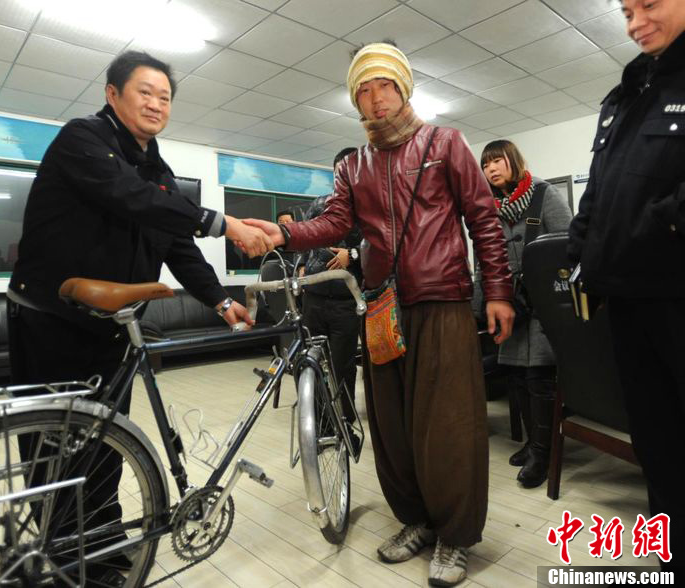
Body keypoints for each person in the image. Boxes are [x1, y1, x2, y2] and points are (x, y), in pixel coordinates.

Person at [244, 42, 514, 587]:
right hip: (382, 308)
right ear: (355, 100)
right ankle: (415, 520)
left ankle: (455, 537)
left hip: (441, 301)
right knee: (392, 425)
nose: (375, 98)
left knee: (448, 426)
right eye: (363, 90)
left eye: (385, 85)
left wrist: (500, 292)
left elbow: (484, 220)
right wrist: (287, 233)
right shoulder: (354, 164)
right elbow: (335, 222)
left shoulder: (446, 144)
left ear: (404, 87)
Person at [7, 50, 271, 586]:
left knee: (106, 442)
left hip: (109, 326)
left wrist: (220, 301)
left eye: (164, 96)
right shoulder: (83, 139)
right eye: (143, 92)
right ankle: (60, 558)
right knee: (55, 449)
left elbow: (175, 241)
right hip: (50, 318)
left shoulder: (157, 168)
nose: (155, 103)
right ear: (112, 95)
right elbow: (128, 197)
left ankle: (100, 549)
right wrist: (222, 223)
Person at [567, 0, 685, 571]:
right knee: (656, 443)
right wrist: (581, 245)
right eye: (626, 11)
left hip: (677, 289)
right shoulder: (623, 95)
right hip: (626, 297)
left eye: (650, 4)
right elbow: (599, 190)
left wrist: (658, 224)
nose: (636, 22)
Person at [480, 139, 572, 488]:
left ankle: (542, 453)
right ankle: (536, 443)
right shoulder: (490, 208)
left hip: (544, 306)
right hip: (510, 305)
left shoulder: (544, 194)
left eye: (497, 161)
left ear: (513, 161)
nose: (491, 169)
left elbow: (567, 247)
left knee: (539, 378)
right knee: (516, 377)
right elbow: (485, 261)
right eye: (485, 164)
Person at [301, 147, 363, 445]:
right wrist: (301, 265)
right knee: (313, 365)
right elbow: (306, 238)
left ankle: (344, 425)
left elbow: (381, 250)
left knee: (343, 367)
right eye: (339, 169)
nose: (344, 174)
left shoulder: (371, 207)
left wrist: (352, 255)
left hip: (346, 301)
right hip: (313, 296)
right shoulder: (319, 204)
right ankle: (319, 424)